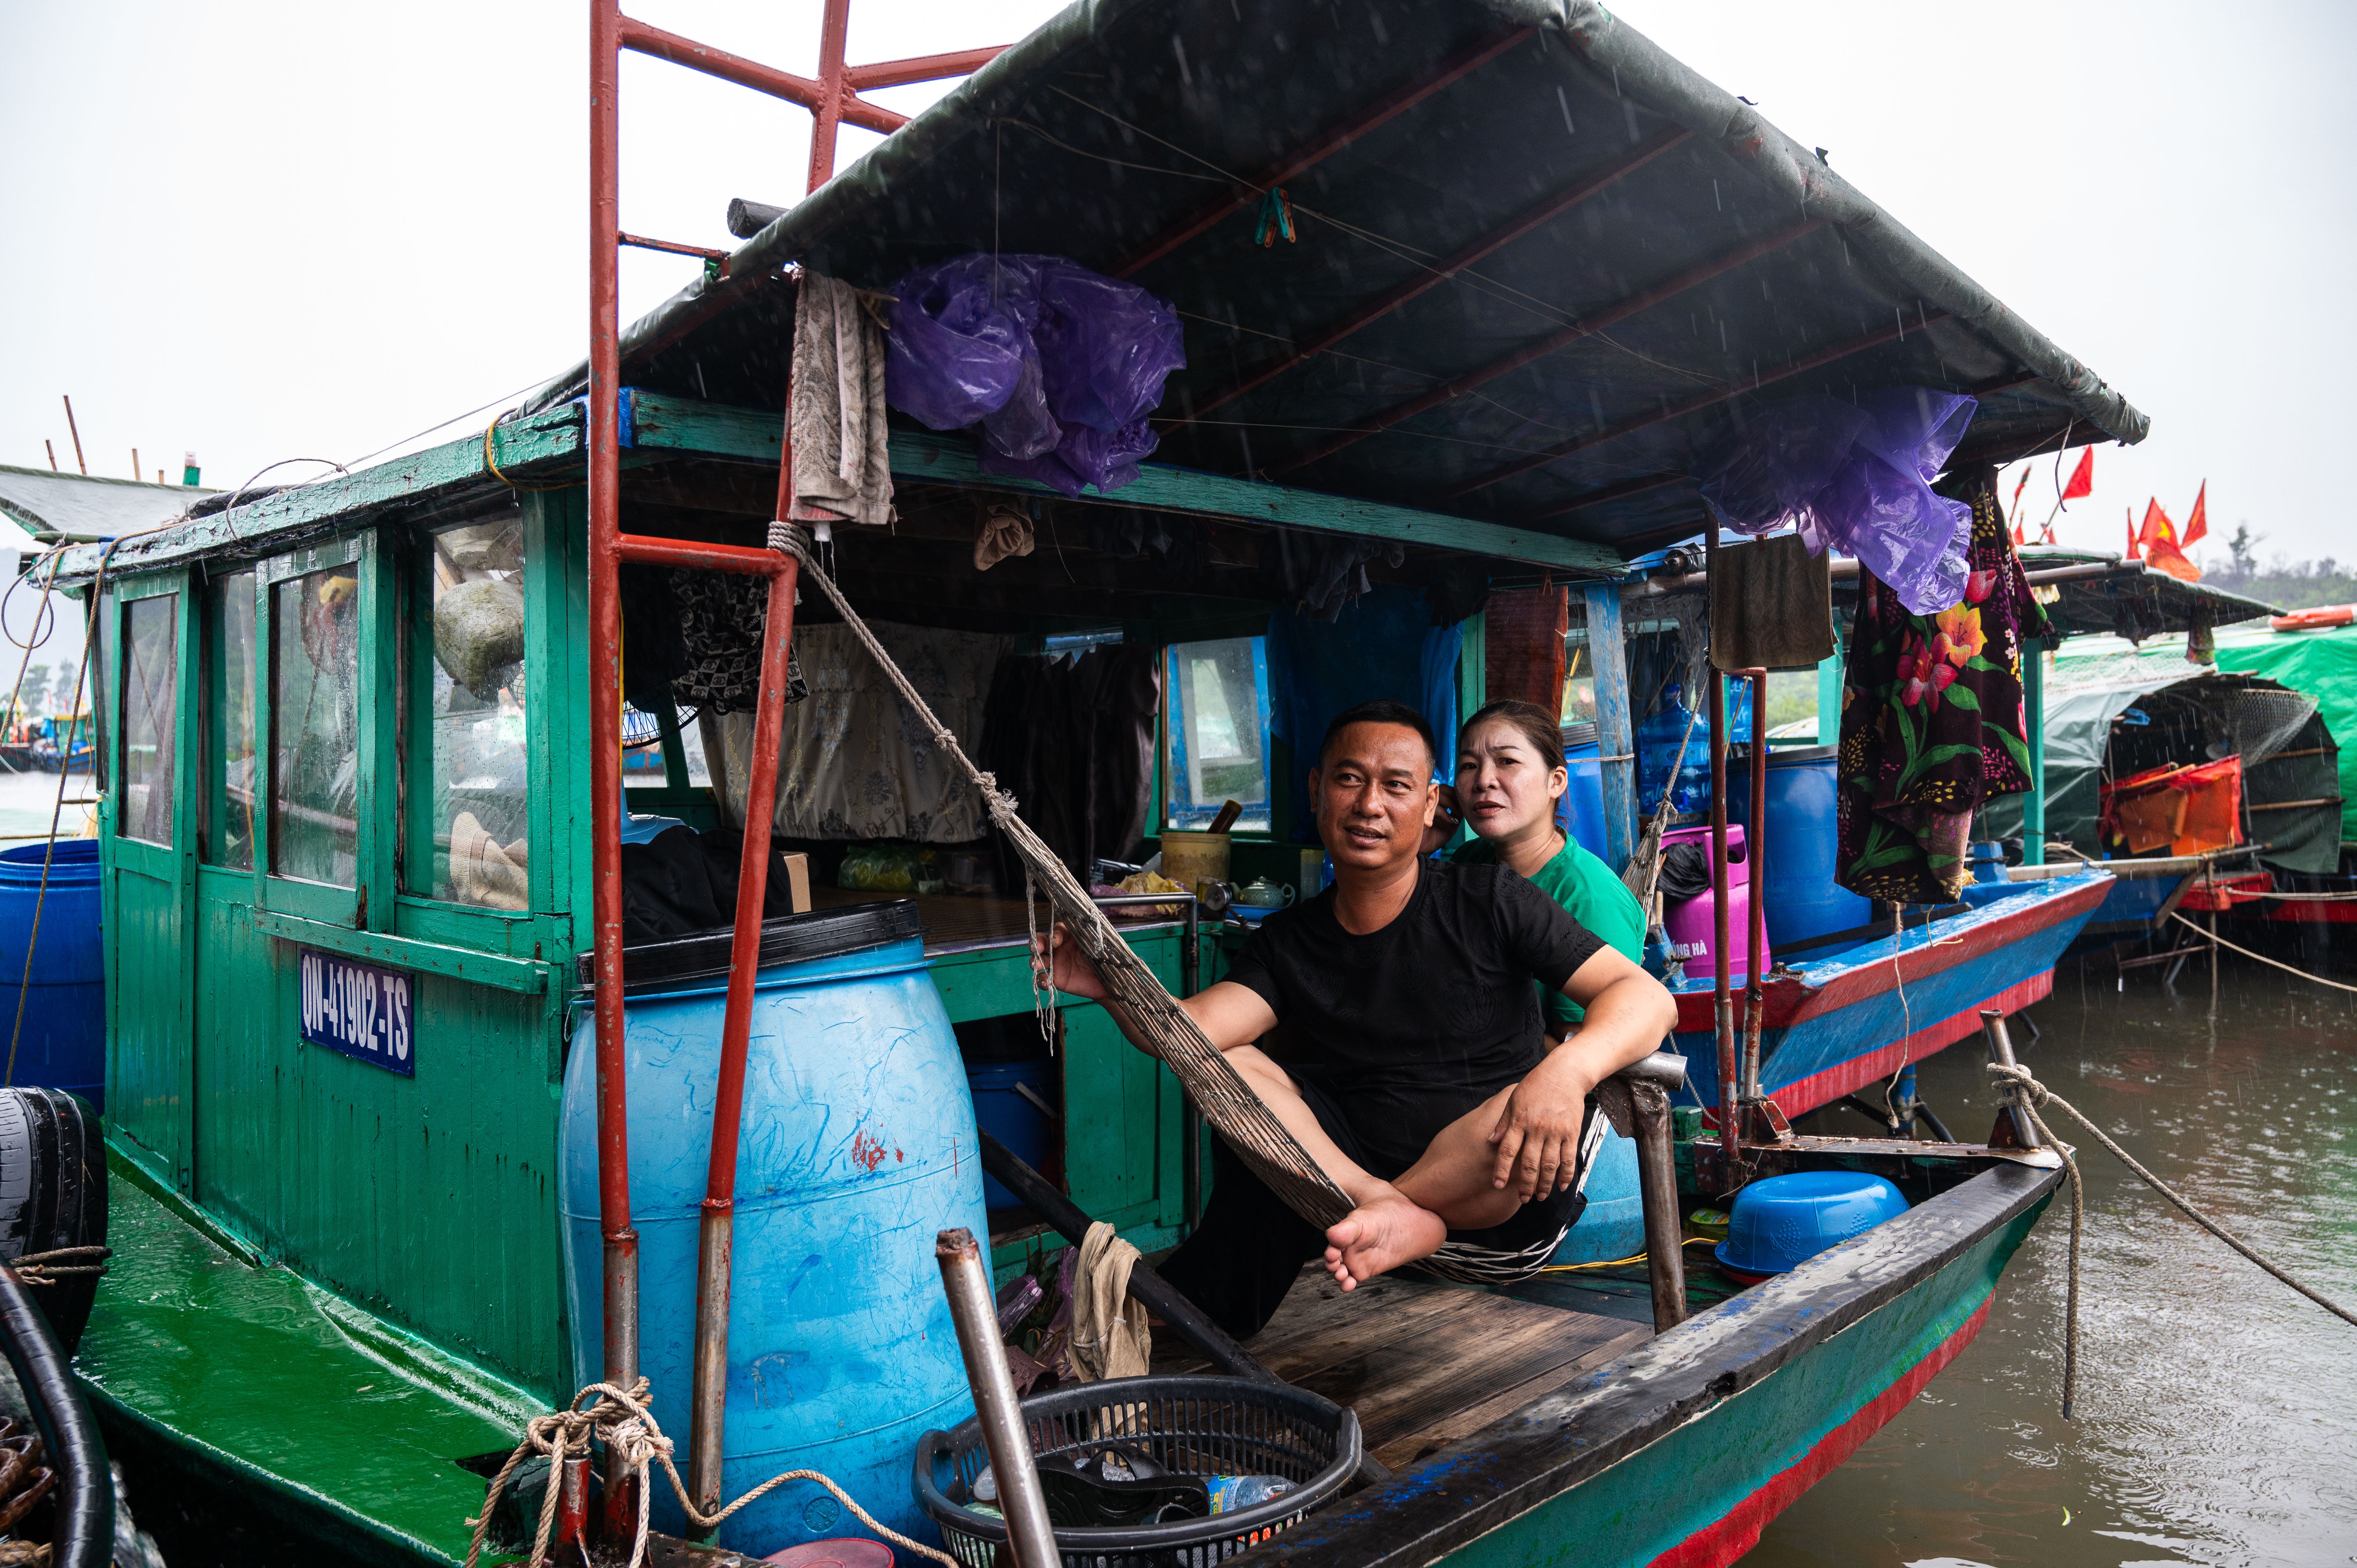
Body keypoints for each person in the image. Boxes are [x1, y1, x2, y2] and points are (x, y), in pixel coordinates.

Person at [1036, 699, 1677, 1337]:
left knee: (1513, 1108)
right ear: (1318, 791)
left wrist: (1562, 1074)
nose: (1369, 803)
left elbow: (1646, 997)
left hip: (1497, 1190)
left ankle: (1393, 1206)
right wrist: (1107, 987)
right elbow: (1186, 1034)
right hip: (1349, 1181)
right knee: (1228, 1063)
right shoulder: (1291, 941)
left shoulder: (1489, 899)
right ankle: (1383, 1205)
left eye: (1396, 785)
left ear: (1428, 806)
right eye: (1349, 778)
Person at [1430, 699, 1647, 1035]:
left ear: (1556, 782)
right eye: (1469, 765)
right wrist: (1417, 849)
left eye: (1507, 761)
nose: (1484, 780)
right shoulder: (1468, 862)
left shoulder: (1590, 900)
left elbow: (1577, 1047)